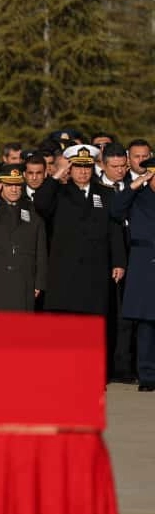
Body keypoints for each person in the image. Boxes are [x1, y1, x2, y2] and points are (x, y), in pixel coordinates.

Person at [33, 144, 127, 316]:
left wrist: (119, 262)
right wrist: (57, 175)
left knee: (94, 321)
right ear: (70, 168)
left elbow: (114, 229)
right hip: (65, 270)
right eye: (78, 167)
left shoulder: (106, 193)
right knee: (65, 322)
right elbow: (39, 203)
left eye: (87, 167)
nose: (83, 172)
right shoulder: (58, 192)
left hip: (95, 270)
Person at [0, 164, 48, 311]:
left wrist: (39, 282)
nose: (14, 189)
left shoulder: (31, 210)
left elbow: (41, 251)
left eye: (17, 185)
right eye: (8, 185)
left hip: (24, 281)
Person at [111, 157, 155, 391]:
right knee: (146, 323)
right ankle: (147, 375)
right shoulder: (137, 196)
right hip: (144, 263)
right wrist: (133, 186)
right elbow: (115, 211)